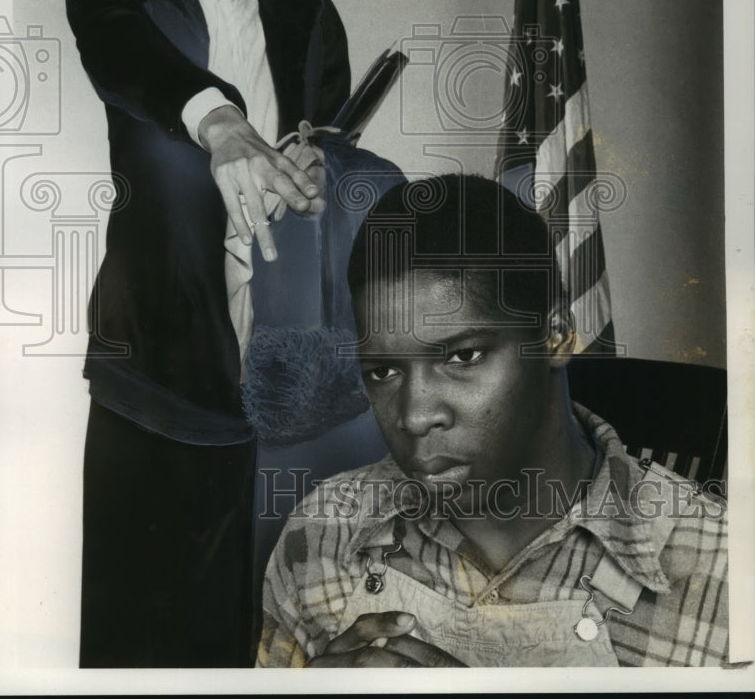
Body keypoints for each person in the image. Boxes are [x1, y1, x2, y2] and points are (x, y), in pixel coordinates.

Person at [66, 0, 351, 668]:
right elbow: (136, 68)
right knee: (141, 652)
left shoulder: (311, 17)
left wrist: (322, 169)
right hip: (157, 383)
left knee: (279, 643)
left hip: (290, 386)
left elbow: (334, 188)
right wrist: (221, 123)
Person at [257, 174, 729, 668]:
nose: (415, 416)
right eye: (384, 370)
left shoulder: (725, 573)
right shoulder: (319, 534)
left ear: (556, 336)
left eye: (463, 356)